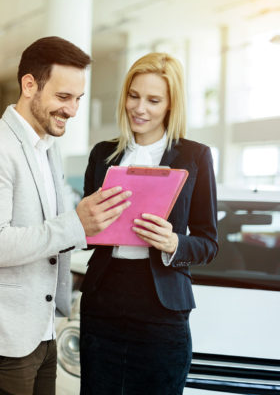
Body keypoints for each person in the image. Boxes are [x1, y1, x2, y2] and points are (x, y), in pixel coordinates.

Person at [0, 36, 132, 395]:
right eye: (63, 97)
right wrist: (76, 223)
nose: (73, 110)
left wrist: (100, 222)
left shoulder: (48, 148)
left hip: (40, 331)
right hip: (0, 338)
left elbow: (56, 231)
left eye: (78, 98)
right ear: (29, 85)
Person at [80, 52, 219, 394]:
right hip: (103, 301)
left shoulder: (195, 156)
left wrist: (174, 243)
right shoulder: (102, 154)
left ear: (171, 105)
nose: (140, 108)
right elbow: (84, 231)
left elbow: (208, 243)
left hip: (162, 307)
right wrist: (87, 222)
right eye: (133, 95)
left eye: (153, 100)